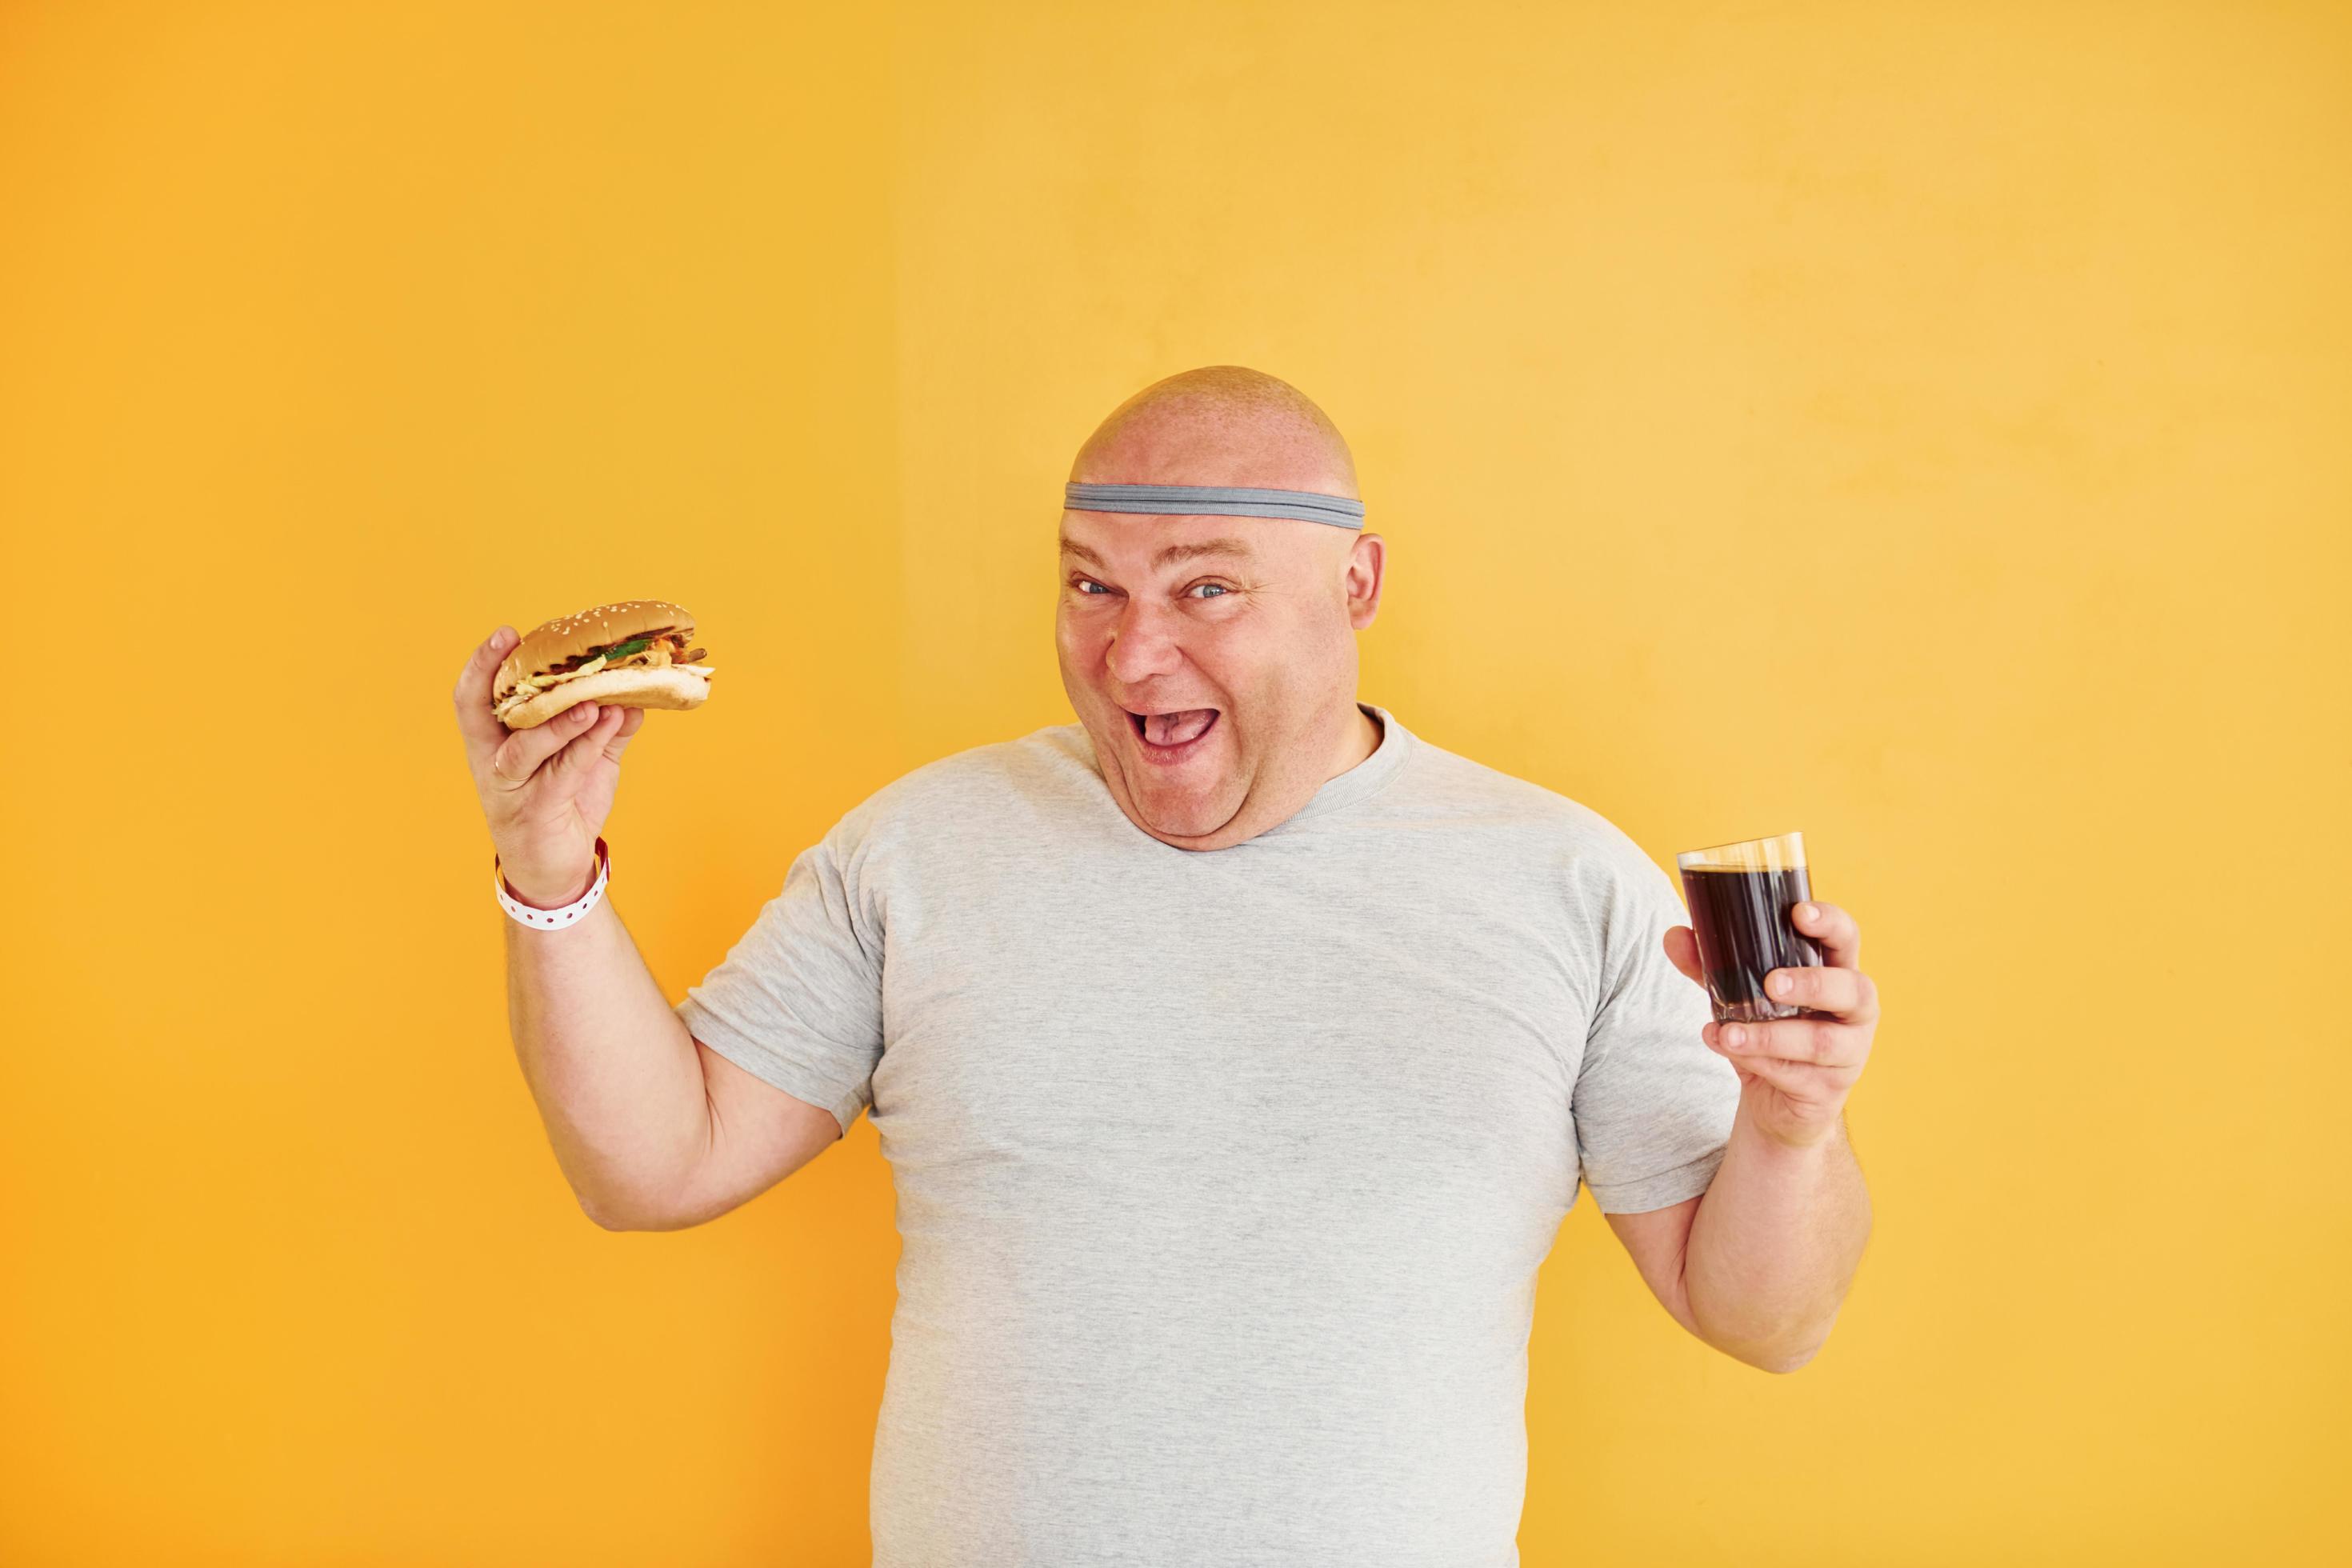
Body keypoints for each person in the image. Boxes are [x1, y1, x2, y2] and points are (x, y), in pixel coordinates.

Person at [451, 365, 1880, 1567]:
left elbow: (1760, 1316)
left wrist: (1794, 1125)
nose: (1135, 655)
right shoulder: (922, 849)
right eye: (1092, 585)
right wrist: (550, 873)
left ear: (1356, 582)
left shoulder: (1565, 883)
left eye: (1205, 588)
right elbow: (654, 1165)